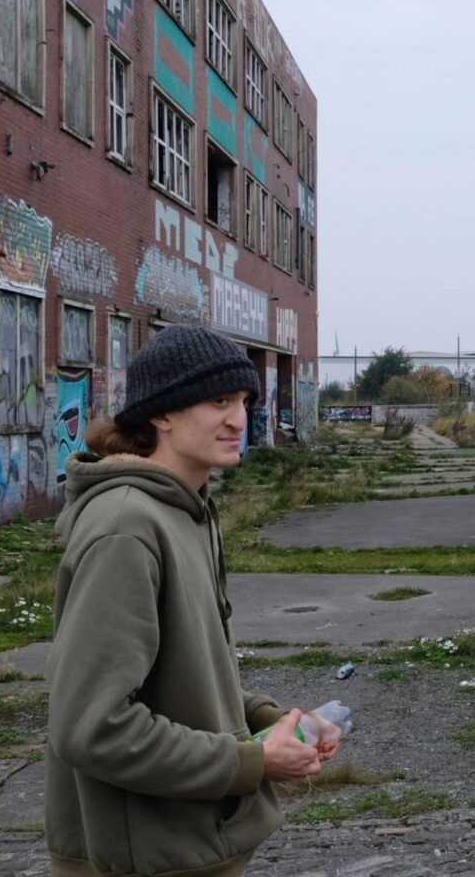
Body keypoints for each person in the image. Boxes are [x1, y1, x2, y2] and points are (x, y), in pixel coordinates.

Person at [46, 325, 342, 877]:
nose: (239, 418)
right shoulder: (125, 527)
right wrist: (251, 760)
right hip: (142, 860)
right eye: (218, 400)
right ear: (161, 413)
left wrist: (275, 722)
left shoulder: (188, 509)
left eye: (245, 400)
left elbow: (188, 674)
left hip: (188, 847)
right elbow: (92, 726)